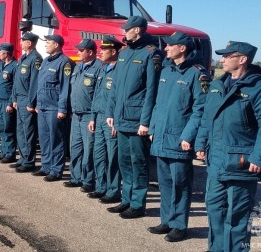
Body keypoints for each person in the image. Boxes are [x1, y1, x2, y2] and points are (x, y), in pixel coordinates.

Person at [195, 41, 261, 252]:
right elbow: (207, 119)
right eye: (222, 56)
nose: (222, 59)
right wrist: (200, 142)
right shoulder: (218, 85)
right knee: (215, 211)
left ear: (242, 59)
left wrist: (260, 158)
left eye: (227, 56)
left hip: (240, 163)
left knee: (236, 217)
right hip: (216, 160)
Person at [147, 31, 208, 242]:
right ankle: (167, 220)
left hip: (179, 139)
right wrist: (153, 128)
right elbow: (158, 103)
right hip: (162, 136)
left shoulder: (197, 74)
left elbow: (200, 110)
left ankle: (179, 225)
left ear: (182, 48)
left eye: (170, 45)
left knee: (180, 184)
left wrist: (188, 137)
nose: (165, 48)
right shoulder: (166, 69)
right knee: (164, 182)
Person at [106, 16, 163, 219]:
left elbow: (151, 91)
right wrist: (111, 112)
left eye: (127, 29)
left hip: (137, 119)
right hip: (121, 118)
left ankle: (138, 204)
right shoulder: (124, 53)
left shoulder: (151, 54)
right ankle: (127, 200)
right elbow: (115, 87)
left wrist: (145, 121)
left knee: (138, 162)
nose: (124, 32)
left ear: (137, 30)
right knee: (124, 161)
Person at [88, 35, 125, 204]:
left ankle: (113, 190)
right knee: (99, 154)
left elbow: (120, 98)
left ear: (114, 51)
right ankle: (101, 186)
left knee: (112, 157)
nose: (101, 52)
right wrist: (93, 117)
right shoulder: (103, 68)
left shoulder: (120, 70)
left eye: (104, 49)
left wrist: (116, 119)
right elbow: (96, 95)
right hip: (99, 116)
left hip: (111, 119)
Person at [33, 34, 72, 182]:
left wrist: (62, 109)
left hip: (54, 107)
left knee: (57, 139)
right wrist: (37, 103)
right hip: (43, 107)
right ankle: (46, 166)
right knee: (44, 139)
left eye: (48, 42)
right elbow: (41, 85)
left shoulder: (64, 63)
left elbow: (64, 88)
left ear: (56, 45)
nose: (45, 45)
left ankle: (56, 170)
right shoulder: (45, 61)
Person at [66, 39, 102, 192]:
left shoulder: (99, 67)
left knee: (89, 150)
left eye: (81, 50)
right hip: (76, 114)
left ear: (91, 52)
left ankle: (88, 180)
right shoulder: (78, 67)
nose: (78, 53)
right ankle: (76, 177)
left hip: (89, 115)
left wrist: (94, 117)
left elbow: (98, 95)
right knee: (75, 148)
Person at [11, 32, 43, 172]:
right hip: (19, 98)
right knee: (20, 130)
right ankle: (23, 158)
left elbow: (34, 83)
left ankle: (29, 161)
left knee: (28, 131)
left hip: (27, 99)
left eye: (22, 41)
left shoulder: (36, 59)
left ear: (29, 43)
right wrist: (14, 98)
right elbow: (16, 81)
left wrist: (31, 102)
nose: (21, 43)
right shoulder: (23, 58)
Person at [0, 43, 17, 163]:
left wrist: (10, 103)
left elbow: (14, 87)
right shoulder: (2, 66)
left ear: (6, 53)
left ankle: (10, 153)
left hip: (7, 102)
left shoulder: (14, 66)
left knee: (8, 129)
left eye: (0, 52)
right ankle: (4, 151)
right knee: (1, 128)